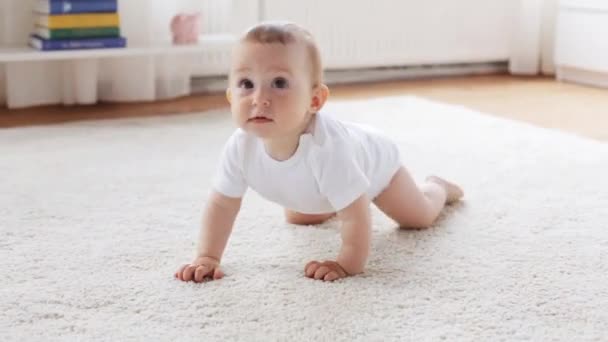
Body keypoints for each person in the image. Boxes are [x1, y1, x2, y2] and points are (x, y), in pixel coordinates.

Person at [175, 22, 463, 283]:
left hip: (376, 166)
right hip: (317, 186)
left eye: (279, 83)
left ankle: (436, 186)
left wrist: (346, 264)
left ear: (315, 100)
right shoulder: (240, 146)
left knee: (418, 218)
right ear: (230, 97)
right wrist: (207, 257)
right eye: (246, 84)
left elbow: (357, 215)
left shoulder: (329, 150)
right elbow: (222, 205)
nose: (259, 99)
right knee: (301, 216)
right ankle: (330, 197)